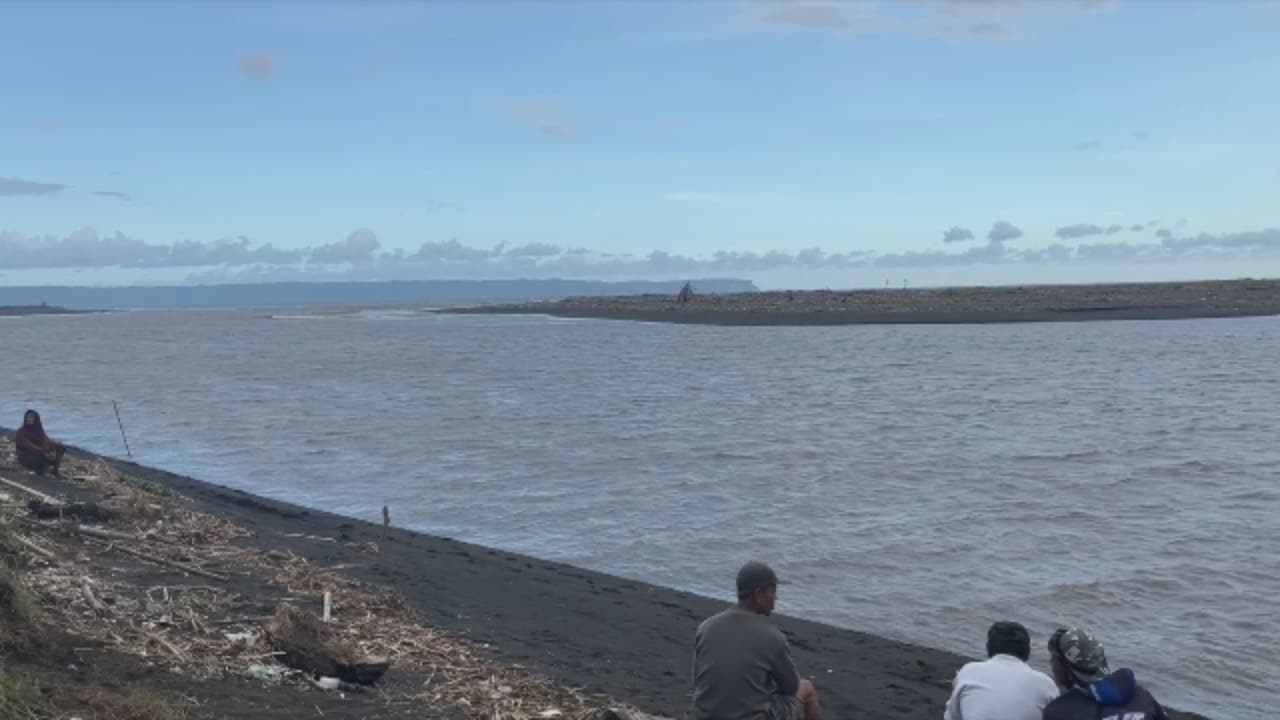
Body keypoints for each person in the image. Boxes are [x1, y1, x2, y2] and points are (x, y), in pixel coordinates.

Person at [691, 561, 822, 720]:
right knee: (806, 688)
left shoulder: (705, 627)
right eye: (773, 591)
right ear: (759, 594)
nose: (776, 597)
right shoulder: (772, 637)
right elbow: (790, 687)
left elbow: (700, 680)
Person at [1043, 627, 1169, 720]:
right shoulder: (1142, 696)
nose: (1051, 664)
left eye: (1054, 659)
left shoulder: (1059, 712)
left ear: (1066, 668)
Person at [943, 621, 1059, 720]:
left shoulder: (969, 670)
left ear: (988, 647)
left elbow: (952, 716)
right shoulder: (1046, 684)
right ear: (1027, 651)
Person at [14, 409, 65, 475]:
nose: (29, 419)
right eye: (28, 417)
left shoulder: (38, 429)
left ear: (36, 419)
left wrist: (50, 449)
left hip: (39, 453)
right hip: (27, 457)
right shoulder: (21, 432)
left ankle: (55, 470)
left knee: (60, 447)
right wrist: (45, 452)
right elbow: (30, 446)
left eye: (32, 417)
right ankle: (41, 469)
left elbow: (46, 440)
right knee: (46, 459)